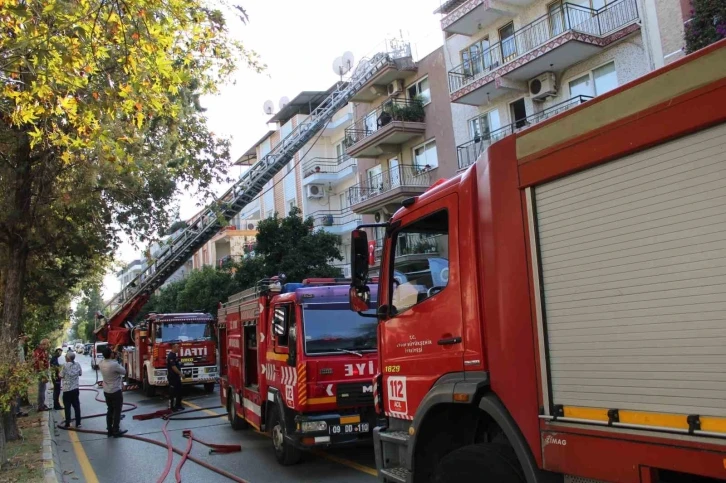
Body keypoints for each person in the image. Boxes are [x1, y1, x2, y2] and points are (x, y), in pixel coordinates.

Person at [99, 346, 127, 437]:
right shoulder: (114, 364)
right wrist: (116, 360)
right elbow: (124, 371)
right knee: (117, 410)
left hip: (106, 390)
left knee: (110, 409)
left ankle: (109, 429)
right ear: (111, 354)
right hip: (115, 390)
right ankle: (116, 430)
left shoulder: (101, 363)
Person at [60, 352, 82, 428]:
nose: (65, 357)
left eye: (66, 356)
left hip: (67, 389)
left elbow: (61, 375)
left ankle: (67, 423)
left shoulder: (64, 366)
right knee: (76, 406)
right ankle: (78, 423)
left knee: (67, 407)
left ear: (68, 358)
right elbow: (80, 373)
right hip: (75, 388)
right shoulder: (77, 364)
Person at [33, 339, 50, 411]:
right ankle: (41, 406)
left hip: (41, 371)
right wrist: (44, 375)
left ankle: (41, 404)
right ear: (43, 344)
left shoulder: (40, 351)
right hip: (41, 372)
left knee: (42, 388)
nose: (47, 346)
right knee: (42, 389)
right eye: (47, 345)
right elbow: (40, 363)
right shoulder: (40, 352)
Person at [166, 343, 184, 412]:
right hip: (172, 377)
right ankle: (171, 407)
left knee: (179, 390)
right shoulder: (170, 356)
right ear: (173, 347)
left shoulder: (174, 355)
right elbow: (173, 367)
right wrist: (181, 374)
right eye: (177, 347)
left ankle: (178, 405)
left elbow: (176, 364)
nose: (179, 348)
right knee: (172, 392)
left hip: (176, 377)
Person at [15, 334, 29, 418]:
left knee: (19, 392)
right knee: (17, 392)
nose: (25, 342)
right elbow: (20, 360)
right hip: (18, 371)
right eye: (24, 339)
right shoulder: (18, 347)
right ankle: (16, 411)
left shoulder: (21, 347)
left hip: (20, 371)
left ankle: (18, 410)